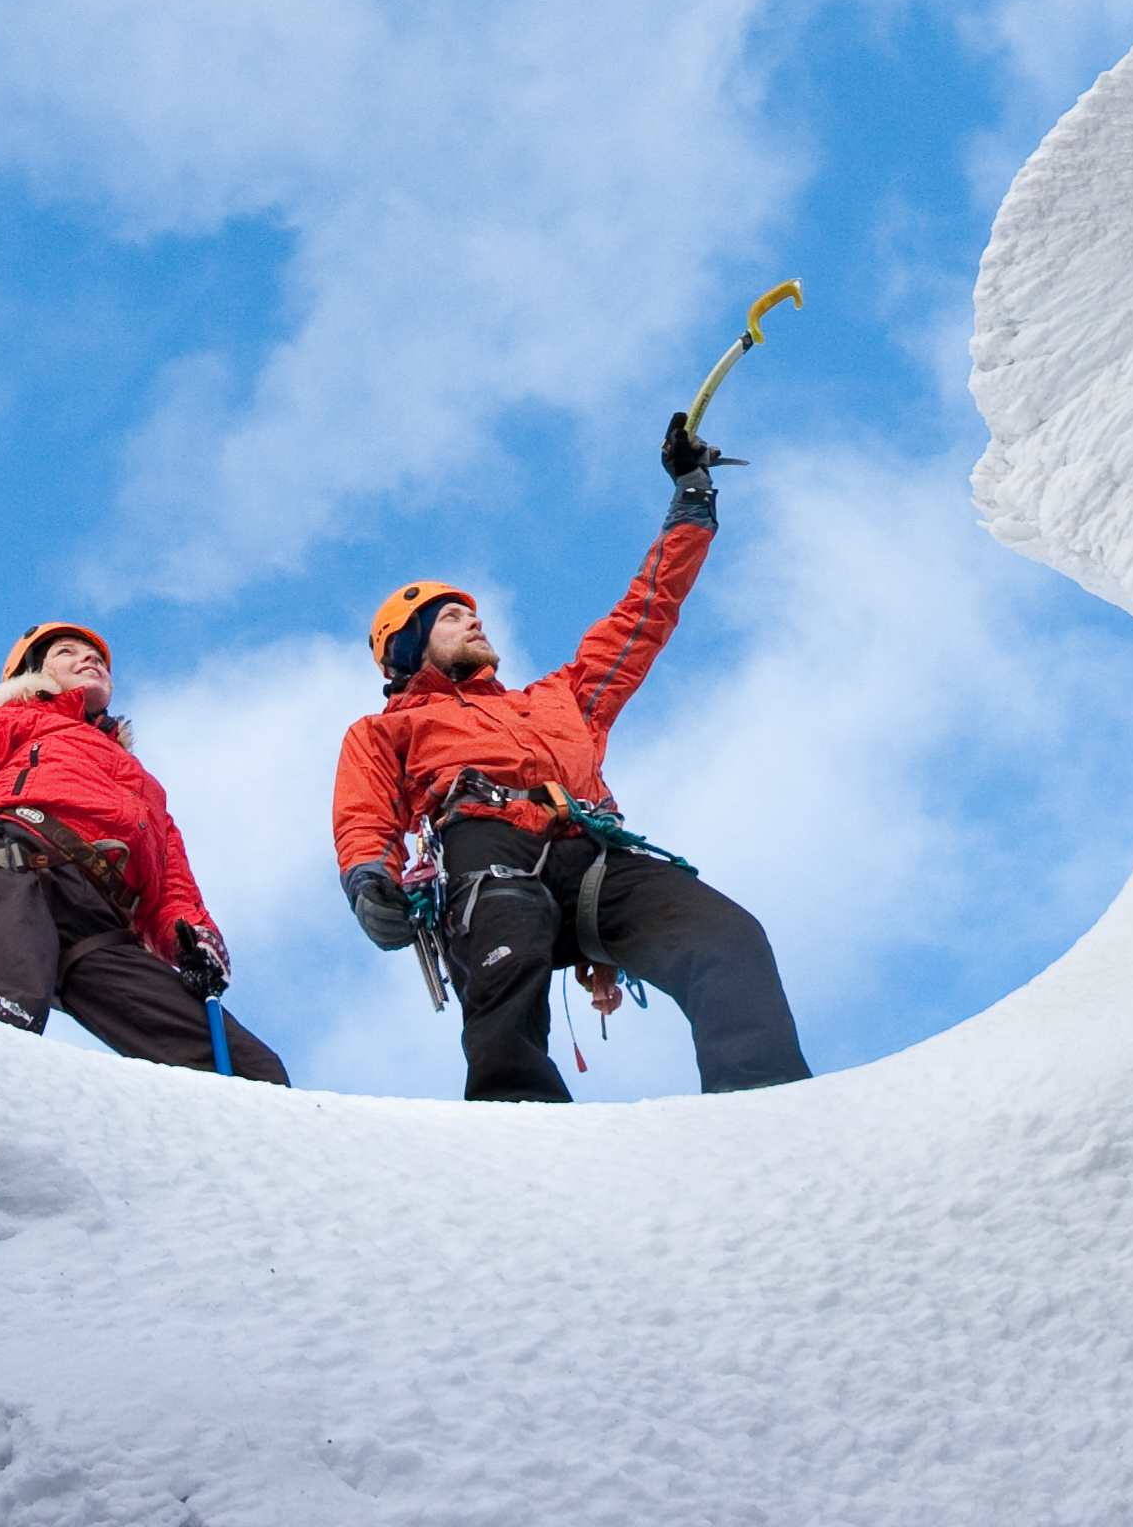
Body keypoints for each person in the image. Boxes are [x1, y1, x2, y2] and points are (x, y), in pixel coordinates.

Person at [333, 423, 808, 1101]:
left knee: (725, 936)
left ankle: (769, 1104)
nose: (472, 621)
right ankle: (521, 1130)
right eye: (448, 618)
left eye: (472, 613)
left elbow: (643, 616)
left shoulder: (562, 699)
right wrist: (367, 878)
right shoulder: (386, 730)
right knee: (508, 953)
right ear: (409, 651)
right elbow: (363, 812)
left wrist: (692, 502)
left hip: (591, 851)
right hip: (483, 851)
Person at [0, 621, 288, 1081]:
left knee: (250, 1070)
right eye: (67, 652)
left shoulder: (142, 783)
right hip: (13, 868)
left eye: (96, 657)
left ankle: (260, 1141)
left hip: (102, 919)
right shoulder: (13, 719)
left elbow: (170, 879)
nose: (89, 660)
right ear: (33, 672)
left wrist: (193, 936)